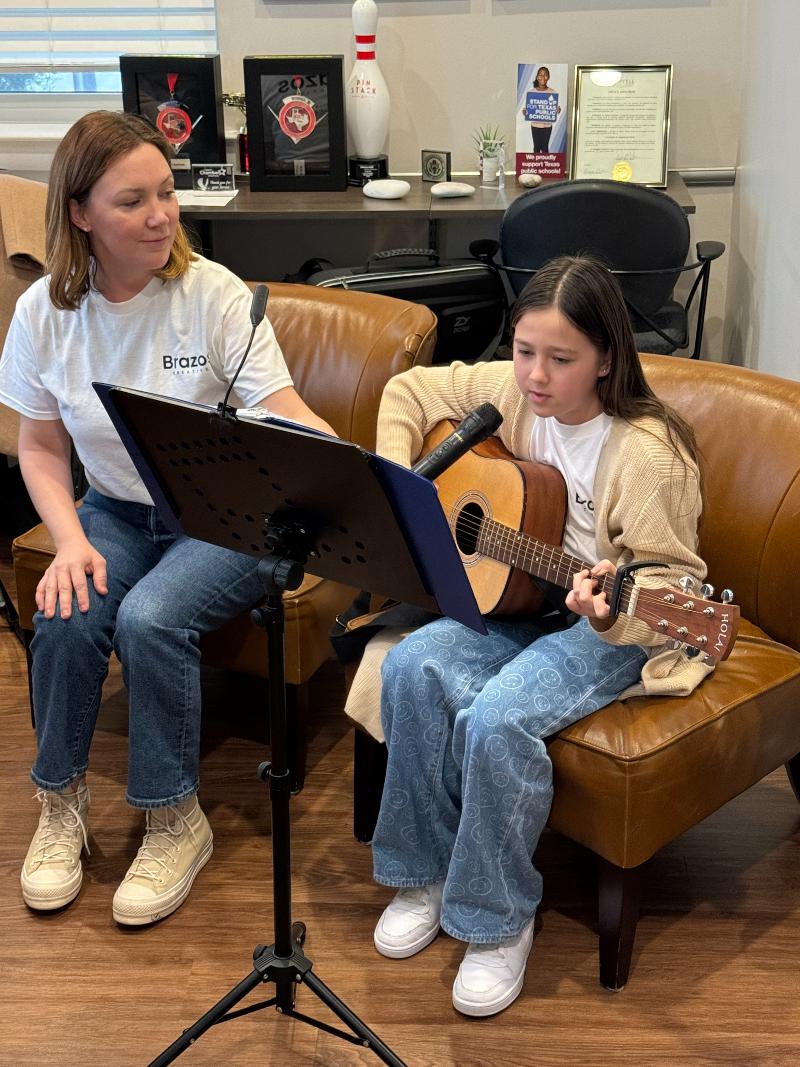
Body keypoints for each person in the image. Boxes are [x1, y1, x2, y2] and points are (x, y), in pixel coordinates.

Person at [0, 110, 335, 925]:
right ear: (80, 214)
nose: (161, 214)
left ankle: (174, 817)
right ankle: (60, 804)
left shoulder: (211, 295)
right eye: (132, 201)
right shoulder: (45, 312)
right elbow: (39, 447)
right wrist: (71, 541)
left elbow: (278, 406)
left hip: (221, 516)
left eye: (166, 192)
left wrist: (344, 464)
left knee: (151, 618)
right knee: (69, 607)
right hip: (112, 509)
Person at [368, 255, 714, 1017]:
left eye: (561, 359)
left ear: (606, 360)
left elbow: (674, 588)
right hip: (519, 599)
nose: (534, 376)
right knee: (410, 667)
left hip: (605, 626)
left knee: (498, 718)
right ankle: (421, 871)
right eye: (525, 351)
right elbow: (408, 388)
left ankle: (498, 918)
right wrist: (401, 493)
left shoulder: (651, 454)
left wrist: (611, 606)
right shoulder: (515, 393)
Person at [524, 66, 561, 153]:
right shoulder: (531, 92)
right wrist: (525, 111)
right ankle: (536, 166)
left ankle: (545, 166)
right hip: (535, 125)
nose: (543, 77)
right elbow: (529, 108)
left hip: (547, 126)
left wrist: (557, 109)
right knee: (536, 148)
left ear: (548, 77)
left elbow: (554, 107)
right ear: (537, 77)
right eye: (540, 75)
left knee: (545, 148)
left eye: (545, 75)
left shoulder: (552, 92)